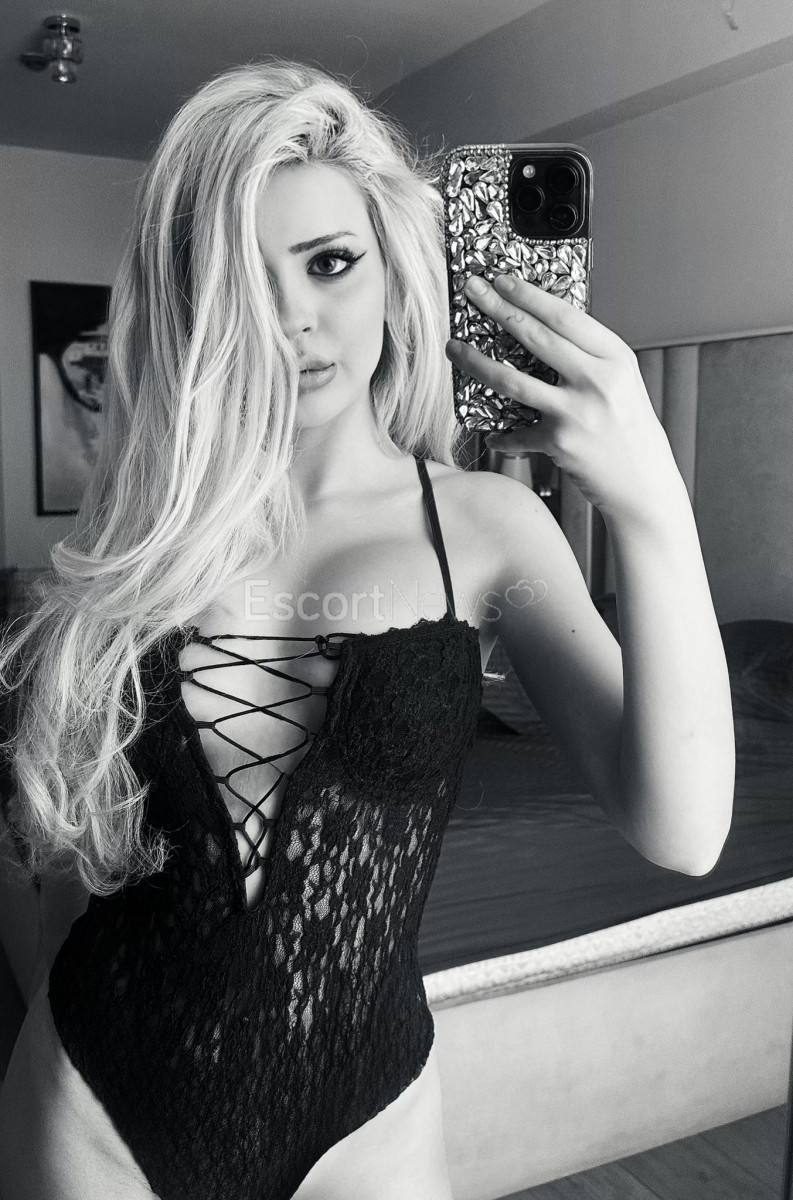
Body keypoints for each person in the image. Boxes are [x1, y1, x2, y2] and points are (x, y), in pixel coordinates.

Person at [0, 57, 734, 1200]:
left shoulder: (486, 531)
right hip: (92, 1105)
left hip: (362, 1124)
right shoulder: (141, 539)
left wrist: (649, 501)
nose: (294, 317)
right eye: (244, 277)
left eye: (330, 262)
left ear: (392, 269)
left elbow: (683, 834)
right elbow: (59, 872)